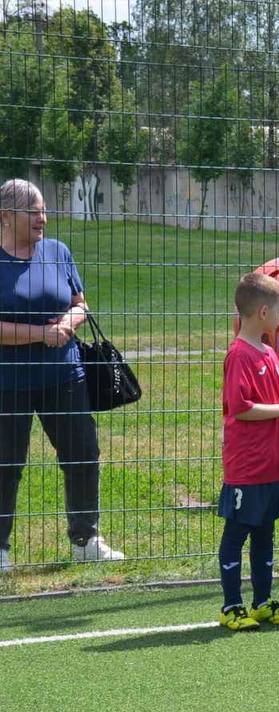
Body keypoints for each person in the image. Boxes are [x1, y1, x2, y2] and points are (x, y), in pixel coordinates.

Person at [0, 178, 124, 571]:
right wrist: (41, 334)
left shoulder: (58, 251)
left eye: (44, 211)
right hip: (8, 382)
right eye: (34, 212)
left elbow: (80, 303)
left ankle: (86, 540)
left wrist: (69, 323)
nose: (43, 219)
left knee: (82, 453)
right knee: (6, 463)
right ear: (6, 216)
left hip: (65, 376)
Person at [216, 272, 279, 630]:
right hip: (247, 466)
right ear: (264, 312)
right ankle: (231, 606)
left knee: (265, 533)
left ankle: (263, 602)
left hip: (272, 463)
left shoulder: (268, 352)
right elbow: (240, 408)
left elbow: (271, 404)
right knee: (237, 533)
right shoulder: (239, 355)